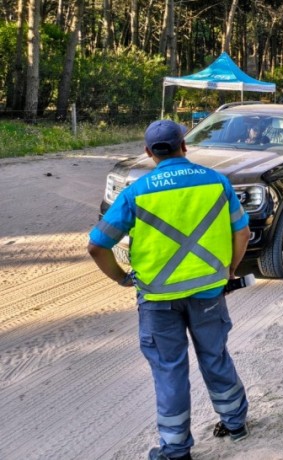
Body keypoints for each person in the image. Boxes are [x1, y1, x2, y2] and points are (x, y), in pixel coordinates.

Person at [87, 120, 251, 460]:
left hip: (157, 301)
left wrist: (121, 278)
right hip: (208, 292)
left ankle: (176, 449)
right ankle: (235, 423)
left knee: (169, 370)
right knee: (215, 356)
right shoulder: (217, 183)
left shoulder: (136, 192)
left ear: (148, 152)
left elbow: (97, 246)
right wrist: (230, 269)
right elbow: (243, 233)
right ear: (184, 146)